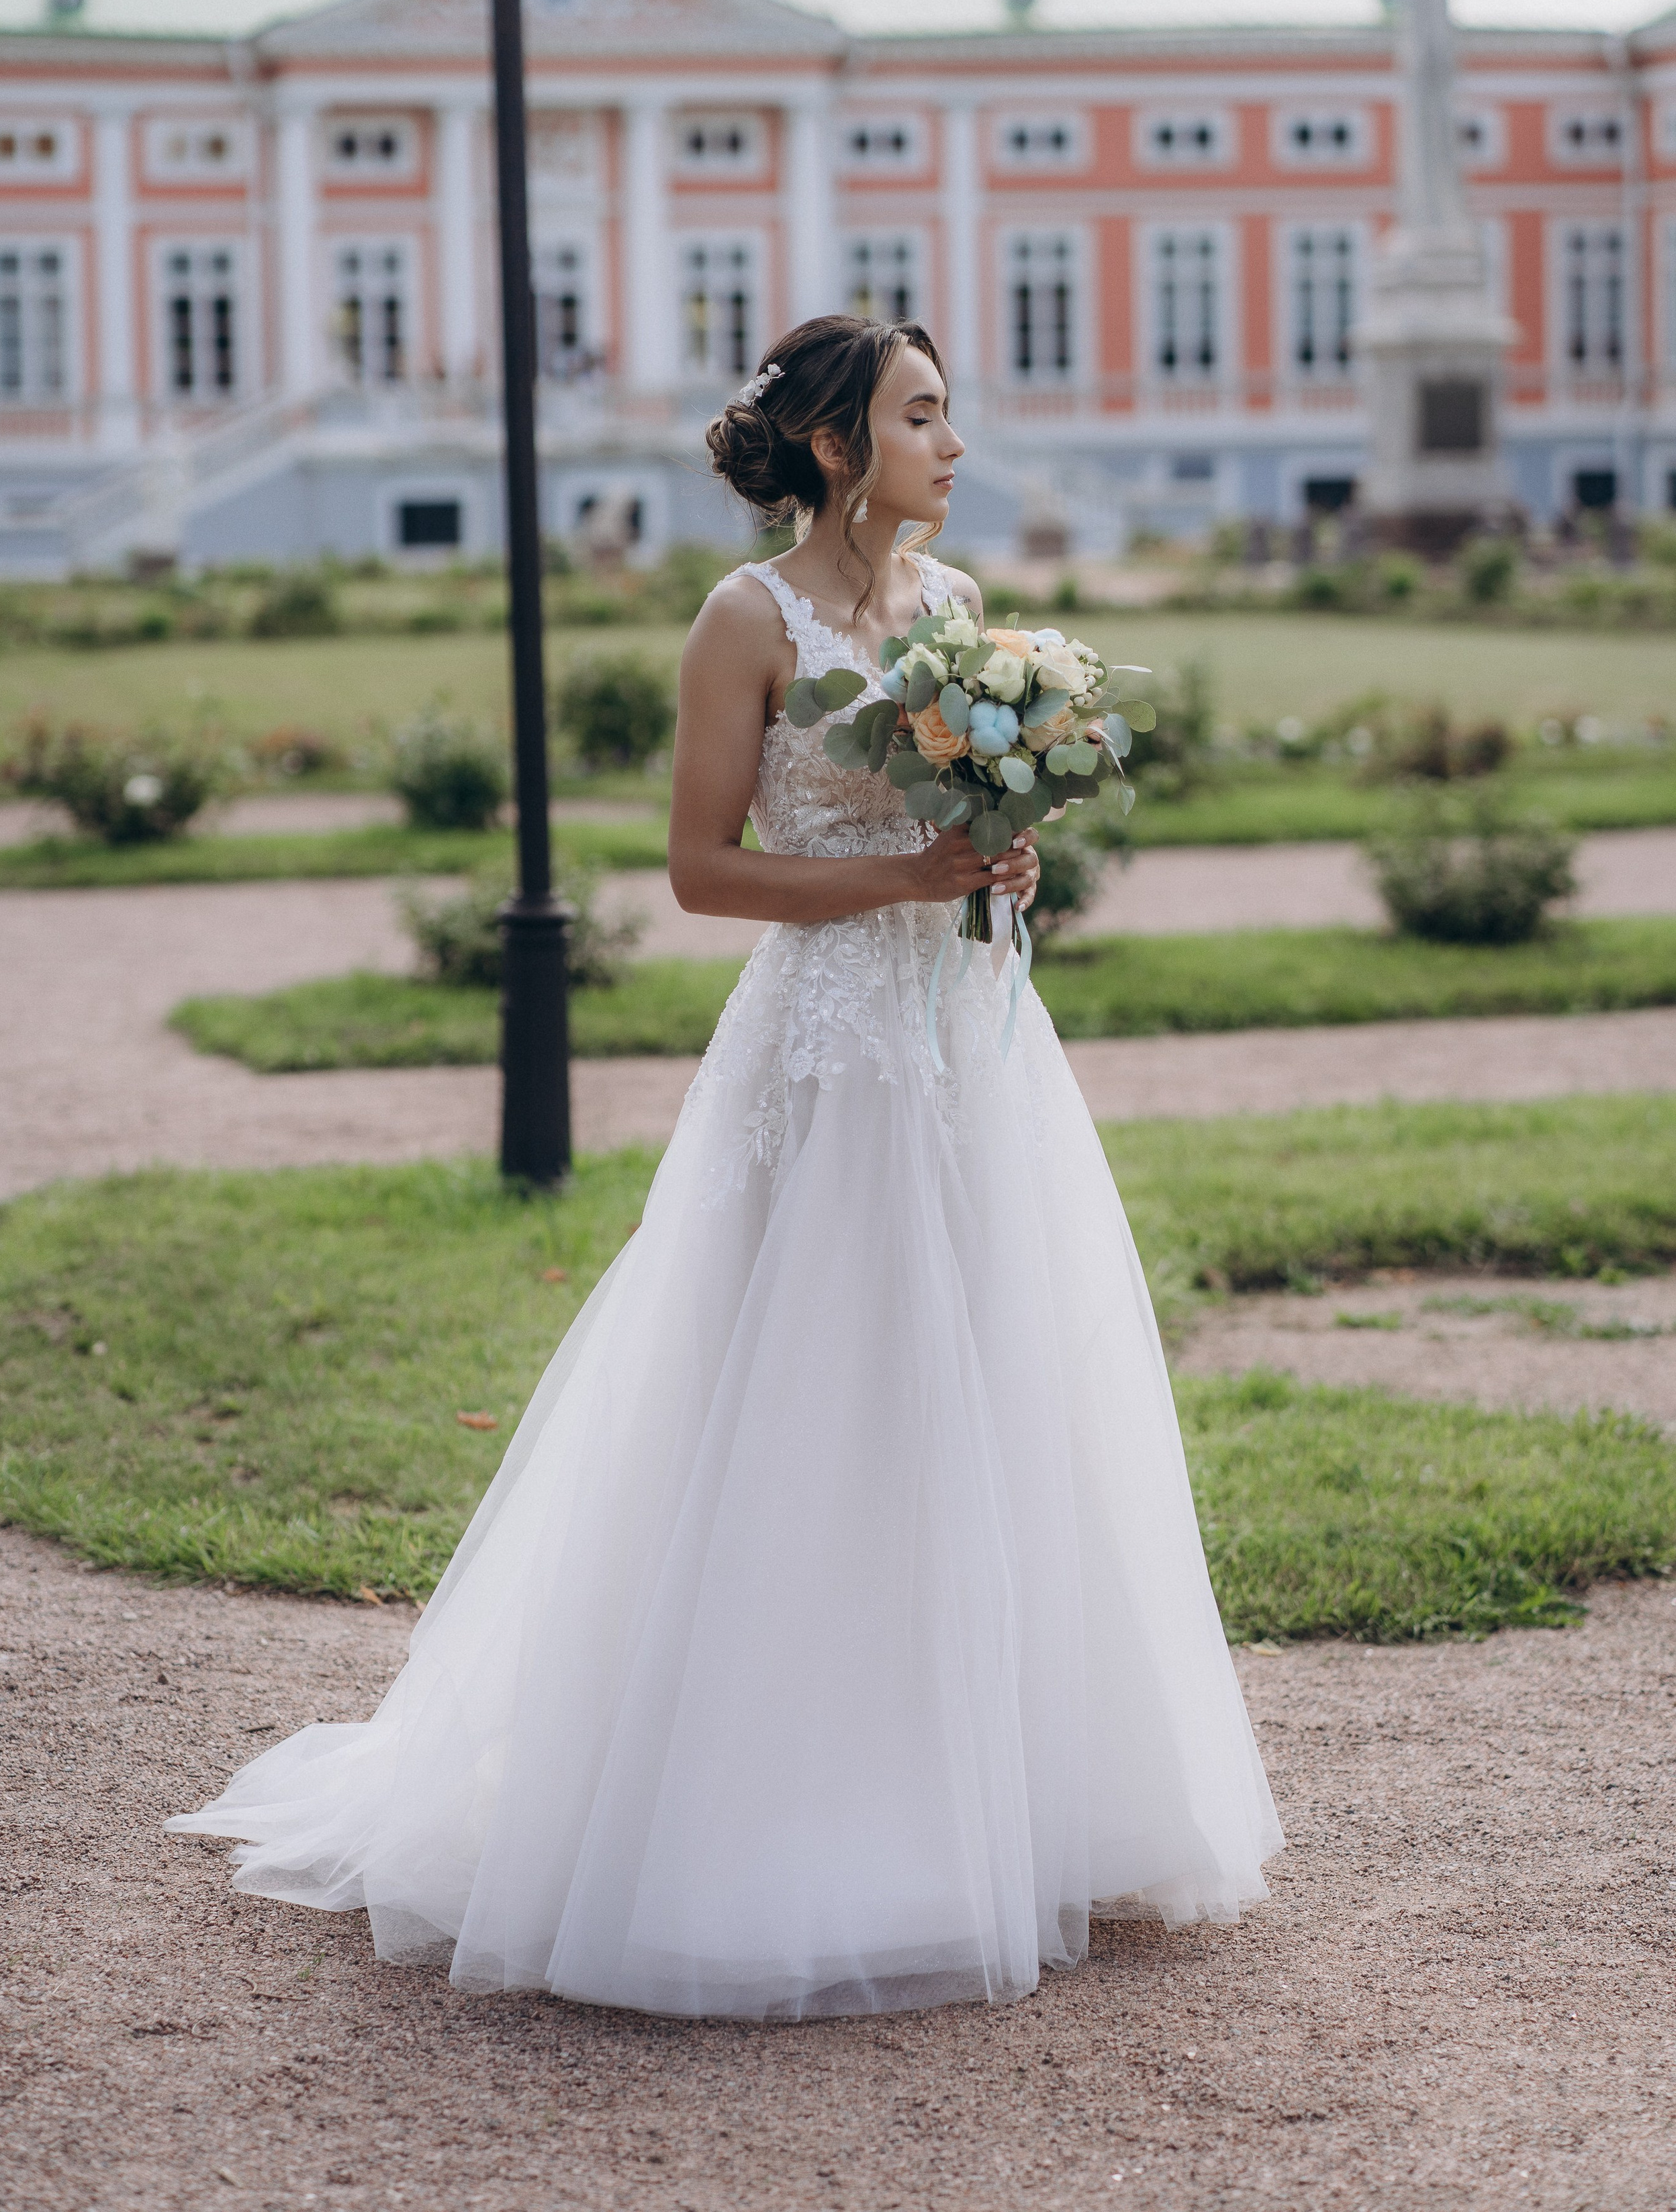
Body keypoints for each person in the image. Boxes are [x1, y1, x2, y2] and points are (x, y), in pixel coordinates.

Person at [169, 315, 1282, 2021]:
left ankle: (996, 1791)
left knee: (986, 1383)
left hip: (964, 1039)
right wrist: (897, 883)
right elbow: (700, 869)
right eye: (920, 415)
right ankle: (769, 1805)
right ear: (836, 444)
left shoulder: (958, 608)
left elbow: (955, 837)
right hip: (823, 1047)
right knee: (809, 1391)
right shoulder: (741, 621)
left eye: (946, 412)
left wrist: (999, 861)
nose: (950, 442)